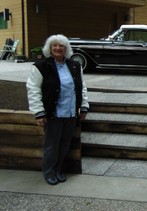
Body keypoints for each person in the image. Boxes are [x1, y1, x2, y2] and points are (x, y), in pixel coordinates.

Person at [27, 34, 89, 185]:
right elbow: (33, 89)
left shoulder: (75, 66)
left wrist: (84, 106)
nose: (57, 48)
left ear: (66, 48)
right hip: (53, 114)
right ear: (49, 48)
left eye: (61, 45)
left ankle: (58, 170)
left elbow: (82, 87)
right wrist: (39, 112)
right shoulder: (41, 66)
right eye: (54, 45)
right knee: (51, 146)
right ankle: (49, 172)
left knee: (64, 145)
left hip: (71, 114)